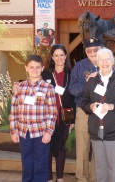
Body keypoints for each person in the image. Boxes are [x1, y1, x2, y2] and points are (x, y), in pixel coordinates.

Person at [81, 47, 115, 182]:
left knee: (114, 169)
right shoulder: (92, 80)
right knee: (100, 168)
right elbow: (84, 101)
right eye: (101, 60)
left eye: (107, 59)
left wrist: (112, 106)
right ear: (97, 62)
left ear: (112, 61)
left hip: (114, 131)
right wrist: (90, 106)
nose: (104, 62)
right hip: (96, 131)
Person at [9, 55, 57, 182]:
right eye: (31, 67)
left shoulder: (48, 88)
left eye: (37, 67)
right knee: (27, 162)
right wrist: (14, 131)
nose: (34, 70)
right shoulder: (19, 88)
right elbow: (14, 111)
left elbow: (52, 112)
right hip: (24, 132)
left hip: (41, 132)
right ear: (26, 68)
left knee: (41, 163)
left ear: (42, 68)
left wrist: (49, 132)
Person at [41, 44, 75, 182]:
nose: (59, 58)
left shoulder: (71, 75)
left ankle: (59, 177)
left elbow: (74, 99)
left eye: (62, 55)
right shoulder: (45, 74)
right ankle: (49, 177)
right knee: (48, 148)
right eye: (56, 55)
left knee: (61, 147)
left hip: (64, 117)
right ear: (52, 57)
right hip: (47, 118)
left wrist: (72, 120)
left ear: (66, 56)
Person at [69, 37, 101, 182]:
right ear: (86, 52)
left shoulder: (107, 65)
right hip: (84, 111)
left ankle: (95, 178)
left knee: (98, 147)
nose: (93, 52)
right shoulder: (80, 67)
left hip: (102, 112)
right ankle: (81, 177)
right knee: (82, 146)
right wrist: (87, 83)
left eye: (96, 49)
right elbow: (72, 89)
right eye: (89, 50)